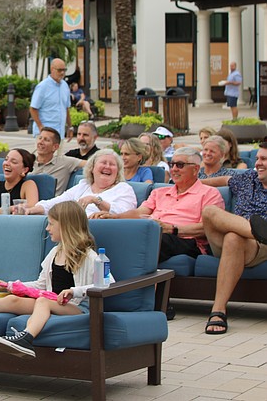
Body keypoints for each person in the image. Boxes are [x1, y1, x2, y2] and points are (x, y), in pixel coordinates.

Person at [0, 202, 104, 360]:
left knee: (43, 301)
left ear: (66, 226)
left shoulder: (89, 256)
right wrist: (9, 286)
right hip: (53, 302)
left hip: (78, 308)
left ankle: (26, 338)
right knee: (12, 300)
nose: (47, 228)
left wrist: (75, 291)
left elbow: (106, 282)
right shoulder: (55, 253)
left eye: (51, 224)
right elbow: (40, 285)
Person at [200, 143, 267, 335]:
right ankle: (255, 230)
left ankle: (218, 311)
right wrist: (192, 183)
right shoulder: (247, 178)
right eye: (257, 159)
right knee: (210, 211)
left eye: (264, 159)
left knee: (233, 238)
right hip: (234, 239)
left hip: (258, 247)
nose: (258, 164)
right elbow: (219, 180)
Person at [113, 147, 223, 264]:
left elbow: (207, 228)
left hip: (186, 241)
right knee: (121, 233)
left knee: (153, 238)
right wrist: (113, 218)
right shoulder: (159, 192)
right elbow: (140, 212)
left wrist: (171, 229)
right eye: (172, 164)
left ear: (195, 169)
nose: (174, 169)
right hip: (154, 233)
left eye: (180, 165)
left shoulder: (210, 194)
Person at [27, 149, 136, 217]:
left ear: (117, 172)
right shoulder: (83, 186)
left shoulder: (123, 188)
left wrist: (97, 201)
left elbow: (124, 213)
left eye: (112, 164)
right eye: (103, 162)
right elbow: (56, 203)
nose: (107, 166)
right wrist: (30, 210)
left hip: (106, 230)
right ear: (92, 168)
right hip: (74, 230)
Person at [31, 127, 84, 196]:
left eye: (46, 140)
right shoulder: (28, 162)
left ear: (55, 147)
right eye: (40, 138)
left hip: (53, 204)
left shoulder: (65, 162)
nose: (41, 142)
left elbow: (91, 163)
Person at [30, 59, 72, 140]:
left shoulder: (65, 86)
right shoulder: (43, 87)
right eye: (59, 70)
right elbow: (33, 108)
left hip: (60, 134)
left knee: (59, 153)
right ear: (52, 69)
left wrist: (70, 127)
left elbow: (66, 108)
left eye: (64, 70)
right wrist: (40, 127)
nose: (62, 73)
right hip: (45, 135)